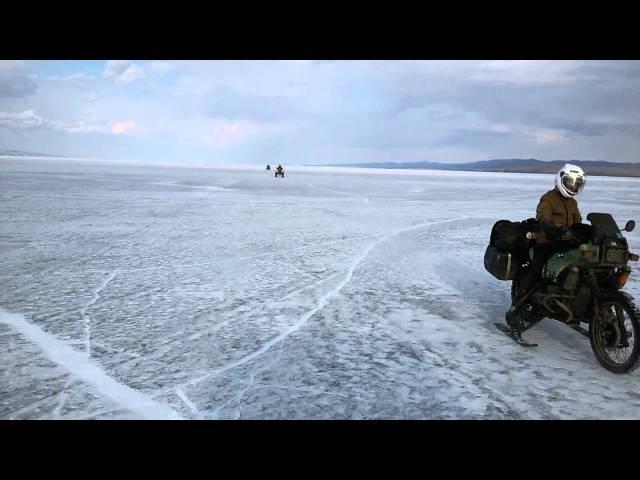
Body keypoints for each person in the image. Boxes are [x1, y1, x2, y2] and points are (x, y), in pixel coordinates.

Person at [506, 163, 586, 335]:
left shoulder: (572, 203)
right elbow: (542, 215)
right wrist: (550, 227)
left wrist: (584, 231)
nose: (573, 186)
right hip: (547, 243)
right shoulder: (548, 198)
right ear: (560, 179)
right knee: (536, 272)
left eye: (576, 184)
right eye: (570, 182)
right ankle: (516, 306)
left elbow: (578, 222)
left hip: (567, 243)